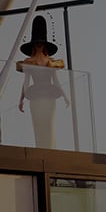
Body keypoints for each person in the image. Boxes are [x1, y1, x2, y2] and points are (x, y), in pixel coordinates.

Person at [17, 15, 69, 149]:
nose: (39, 45)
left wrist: (65, 96)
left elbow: (56, 81)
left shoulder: (50, 62)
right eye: (37, 43)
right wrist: (21, 99)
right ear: (33, 45)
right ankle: (41, 148)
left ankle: (51, 149)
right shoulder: (29, 62)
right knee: (38, 125)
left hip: (49, 97)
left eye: (41, 43)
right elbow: (26, 81)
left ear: (44, 44)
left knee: (49, 124)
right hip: (35, 97)